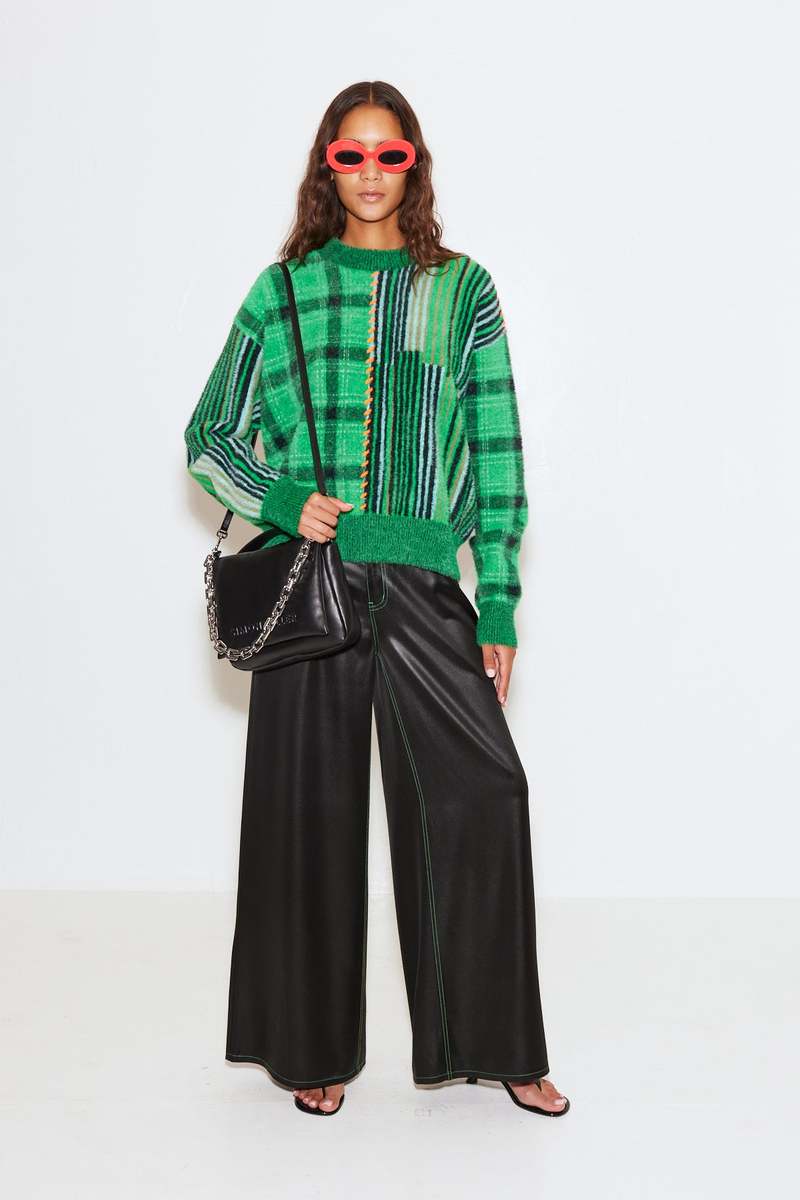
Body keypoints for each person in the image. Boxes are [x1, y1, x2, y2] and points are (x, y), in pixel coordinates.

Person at [183, 80, 570, 1120]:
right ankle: (308, 1047)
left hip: (421, 579)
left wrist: (497, 601)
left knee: (484, 796)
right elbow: (208, 432)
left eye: (387, 155)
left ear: (414, 164)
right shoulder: (285, 290)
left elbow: (496, 450)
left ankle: (498, 1045)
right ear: (326, 166)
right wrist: (282, 499)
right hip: (309, 583)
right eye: (348, 155)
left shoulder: (462, 289)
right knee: (307, 814)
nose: (367, 172)